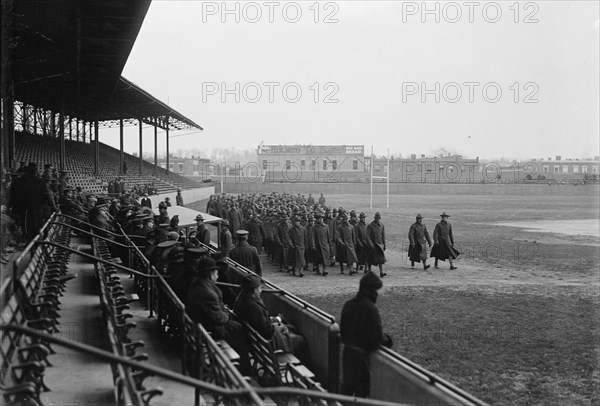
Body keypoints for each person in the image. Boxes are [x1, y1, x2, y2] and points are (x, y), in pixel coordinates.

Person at [185, 257, 250, 374]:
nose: (218, 276)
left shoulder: (198, 284)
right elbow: (219, 318)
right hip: (209, 329)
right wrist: (227, 315)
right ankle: (243, 370)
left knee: (237, 327)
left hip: (200, 326)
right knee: (240, 330)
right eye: (216, 273)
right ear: (210, 275)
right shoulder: (207, 293)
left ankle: (242, 366)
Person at [340, 272, 393, 398]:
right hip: (361, 357)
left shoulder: (349, 304)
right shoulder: (370, 308)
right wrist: (388, 340)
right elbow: (375, 339)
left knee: (346, 389)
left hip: (347, 353)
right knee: (361, 393)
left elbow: (343, 331)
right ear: (371, 290)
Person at [234, 274, 306, 355]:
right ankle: (299, 365)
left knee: (289, 328)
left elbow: (258, 322)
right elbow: (266, 330)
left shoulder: (241, 299)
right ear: (254, 290)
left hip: (254, 340)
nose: (261, 290)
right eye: (260, 288)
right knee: (300, 340)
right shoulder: (254, 307)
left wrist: (274, 320)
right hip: (266, 343)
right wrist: (277, 323)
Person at [366, 212, 387, 277]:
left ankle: (381, 272)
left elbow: (383, 236)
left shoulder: (382, 225)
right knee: (371, 259)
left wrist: (384, 244)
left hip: (380, 245)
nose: (378, 219)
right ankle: (369, 270)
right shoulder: (370, 226)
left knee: (381, 259)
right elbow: (367, 236)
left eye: (379, 218)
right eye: (377, 218)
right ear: (374, 218)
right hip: (373, 245)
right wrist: (370, 244)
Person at [312, 211, 330, 276]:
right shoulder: (314, 227)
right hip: (317, 245)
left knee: (325, 258)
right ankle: (317, 269)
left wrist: (329, 245)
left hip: (325, 245)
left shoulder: (326, 226)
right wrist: (313, 245)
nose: (320, 219)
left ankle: (324, 270)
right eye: (318, 218)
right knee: (317, 258)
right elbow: (312, 237)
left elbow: (328, 236)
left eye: (321, 218)